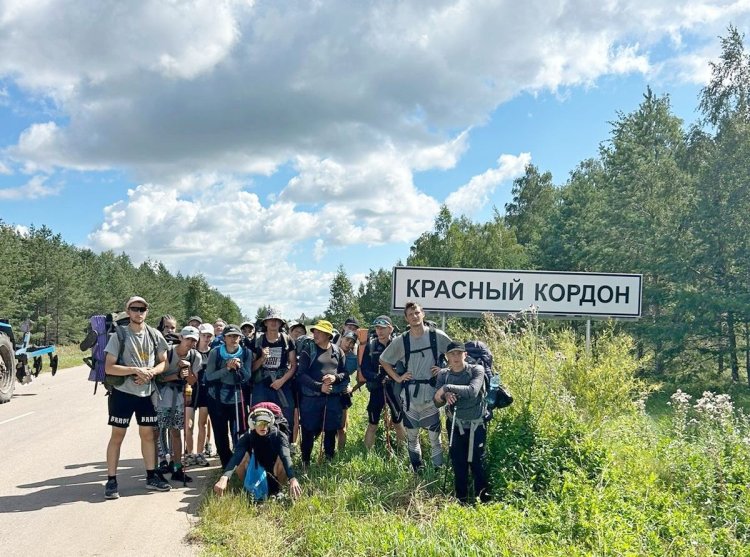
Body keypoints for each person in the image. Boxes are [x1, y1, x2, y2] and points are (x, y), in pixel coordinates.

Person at [103, 296, 170, 499]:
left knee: (148, 435)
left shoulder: (154, 335)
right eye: (134, 309)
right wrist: (134, 370)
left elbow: (164, 362)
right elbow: (109, 367)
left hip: (146, 393)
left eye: (142, 309)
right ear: (128, 311)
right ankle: (111, 481)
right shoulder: (119, 335)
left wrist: (151, 373)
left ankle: (151, 476)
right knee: (117, 436)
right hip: (123, 393)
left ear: (146, 312)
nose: (138, 312)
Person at [380, 301, 452, 472]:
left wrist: (444, 370)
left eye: (417, 313)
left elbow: (457, 354)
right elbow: (383, 360)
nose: (414, 316)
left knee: (435, 437)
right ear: (406, 318)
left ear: (423, 314)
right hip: (410, 396)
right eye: (410, 314)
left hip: (433, 395)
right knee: (412, 437)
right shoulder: (402, 340)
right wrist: (398, 377)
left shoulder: (437, 335)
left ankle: (437, 470)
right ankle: (417, 469)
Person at [434, 342, 490, 504]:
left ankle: (484, 501)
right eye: (452, 354)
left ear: (465, 355)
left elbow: (473, 391)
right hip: (455, 424)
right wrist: (445, 396)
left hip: (476, 425)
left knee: (477, 463)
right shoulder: (443, 374)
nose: (456, 357)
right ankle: (462, 500)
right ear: (447, 357)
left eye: (459, 353)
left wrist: (447, 388)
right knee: (458, 464)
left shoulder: (476, 370)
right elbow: (437, 402)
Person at [213, 406, 302, 500]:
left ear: (270, 423)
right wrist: (225, 477)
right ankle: (249, 490)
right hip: (255, 470)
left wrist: (292, 478)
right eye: (259, 423)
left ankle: (278, 490)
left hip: (275, 472)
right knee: (242, 458)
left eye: (265, 423)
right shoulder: (247, 437)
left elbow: (286, 457)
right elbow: (236, 457)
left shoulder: (279, 436)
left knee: (282, 459)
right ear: (253, 424)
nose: (263, 426)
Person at [297, 320, 350, 467]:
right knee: (308, 431)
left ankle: (328, 462)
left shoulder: (338, 351)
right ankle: (305, 462)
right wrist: (320, 387)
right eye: (315, 331)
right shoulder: (308, 350)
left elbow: (345, 373)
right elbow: (301, 375)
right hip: (311, 399)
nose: (316, 334)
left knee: (331, 430)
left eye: (319, 332)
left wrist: (335, 378)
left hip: (332, 399)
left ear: (328, 335)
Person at [155, 326, 202, 483]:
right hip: (161, 397)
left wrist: (187, 371)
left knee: (176, 432)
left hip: (179, 397)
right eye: (188, 339)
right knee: (158, 431)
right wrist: (176, 374)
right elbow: (157, 378)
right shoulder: (167, 352)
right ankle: (157, 466)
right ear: (181, 338)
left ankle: (176, 467)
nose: (191, 343)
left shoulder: (195, 357)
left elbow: (193, 382)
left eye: (194, 340)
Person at [205, 324, 253, 468]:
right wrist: (227, 368)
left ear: (240, 338)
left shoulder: (246, 352)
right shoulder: (215, 352)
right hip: (217, 398)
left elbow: (247, 376)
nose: (233, 339)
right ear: (224, 338)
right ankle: (226, 465)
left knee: (240, 433)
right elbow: (209, 376)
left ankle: (240, 464)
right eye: (230, 336)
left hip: (238, 398)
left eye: (236, 336)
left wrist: (239, 367)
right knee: (220, 434)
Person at [360, 315, 406, 450]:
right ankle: (367, 454)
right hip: (377, 389)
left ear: (390, 329)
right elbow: (364, 369)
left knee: (398, 422)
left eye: (383, 328)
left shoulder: (398, 345)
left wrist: (398, 376)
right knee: (372, 423)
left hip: (395, 389)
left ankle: (401, 453)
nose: (379, 331)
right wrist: (378, 377)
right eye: (377, 328)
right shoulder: (371, 345)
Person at [250, 308, 296, 431]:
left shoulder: (287, 340)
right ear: (265, 323)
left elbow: (293, 365)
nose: (273, 323)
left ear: (281, 323)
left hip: (282, 384)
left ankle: (284, 446)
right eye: (270, 320)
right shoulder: (257, 341)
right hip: (262, 384)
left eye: (277, 320)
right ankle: (259, 447)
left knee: (286, 417)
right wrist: (262, 358)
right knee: (259, 416)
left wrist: (282, 381)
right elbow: (252, 368)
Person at [185, 323, 214, 465]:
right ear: (199, 336)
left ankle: (200, 453)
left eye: (209, 336)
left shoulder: (213, 352)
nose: (206, 338)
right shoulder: (191, 352)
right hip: (190, 390)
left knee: (202, 424)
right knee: (188, 424)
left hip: (206, 392)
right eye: (204, 335)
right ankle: (190, 454)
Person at [336, 330, 358, 451]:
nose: (349, 344)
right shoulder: (330, 351)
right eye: (347, 340)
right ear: (341, 339)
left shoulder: (354, 359)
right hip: (327, 392)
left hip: (343, 393)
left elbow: (362, 377)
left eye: (352, 342)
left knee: (341, 427)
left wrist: (352, 388)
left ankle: (341, 452)